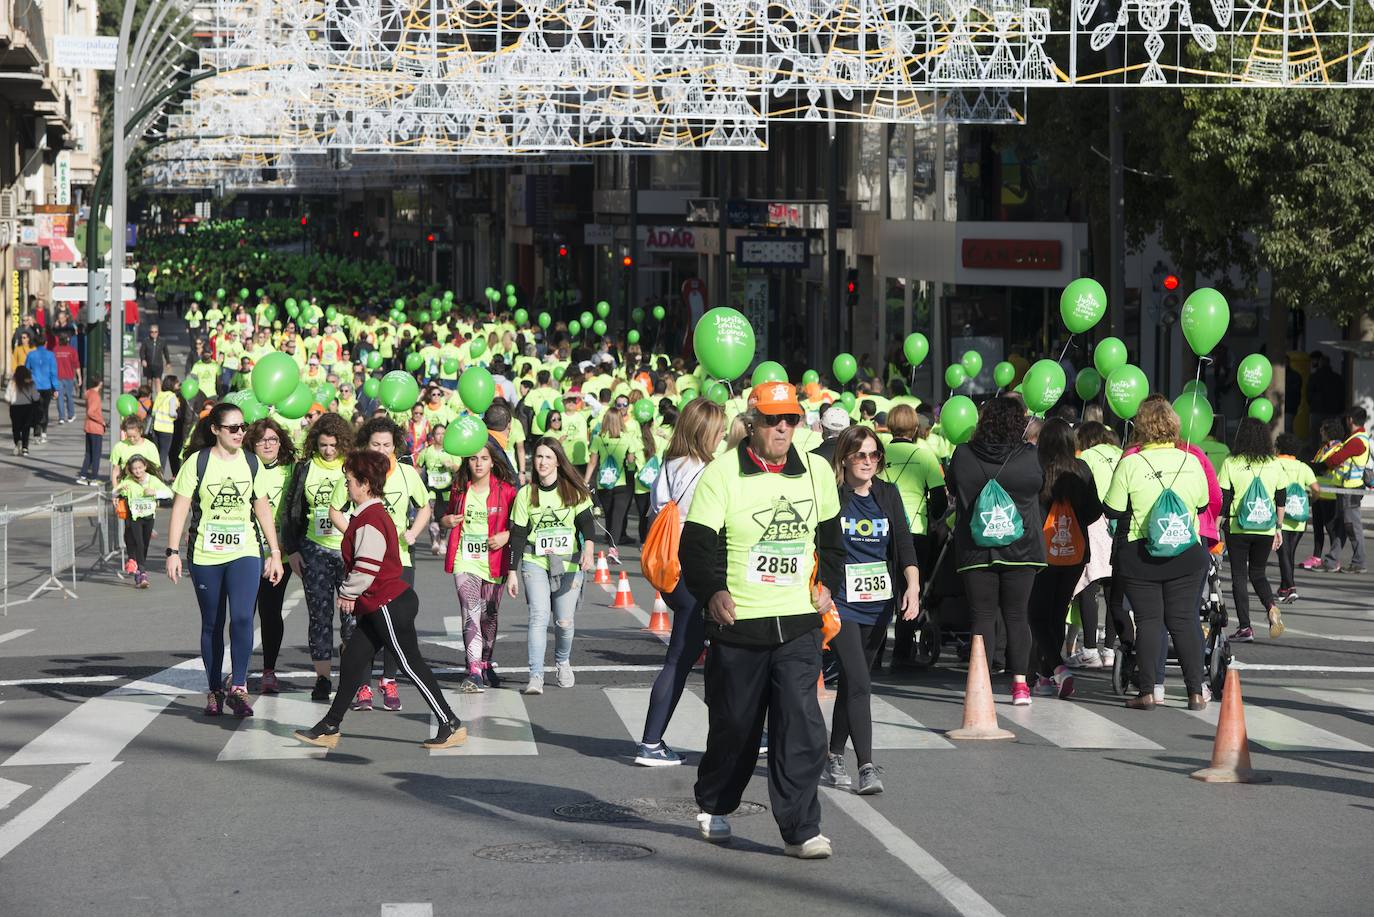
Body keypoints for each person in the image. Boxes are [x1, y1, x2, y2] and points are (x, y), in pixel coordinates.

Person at [681, 381, 842, 859]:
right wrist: (711, 592)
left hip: (797, 624)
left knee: (802, 725)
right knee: (736, 727)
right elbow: (695, 546)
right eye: (773, 420)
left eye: (790, 419)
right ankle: (715, 802)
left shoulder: (816, 472)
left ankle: (801, 830)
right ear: (751, 423)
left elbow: (832, 539)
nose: (783, 428)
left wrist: (827, 581)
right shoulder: (723, 474)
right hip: (740, 625)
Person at [293, 450, 467, 750]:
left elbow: (367, 567)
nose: (346, 486)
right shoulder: (368, 515)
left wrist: (347, 593)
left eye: (349, 481)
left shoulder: (371, 518)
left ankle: (449, 723)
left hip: (386, 603)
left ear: (364, 483)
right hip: (380, 603)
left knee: (410, 663)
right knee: (352, 660)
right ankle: (330, 725)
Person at [165, 402, 285, 718]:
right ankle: (215, 688)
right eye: (232, 427)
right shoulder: (197, 462)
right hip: (206, 553)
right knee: (213, 622)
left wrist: (275, 552)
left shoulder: (251, 462)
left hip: (245, 550)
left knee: (244, 617)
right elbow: (180, 508)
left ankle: (239, 687)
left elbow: (262, 509)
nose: (239, 432)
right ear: (215, 429)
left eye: (242, 427)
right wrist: (172, 551)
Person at [820, 425, 919, 795]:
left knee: (851, 683)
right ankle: (865, 767)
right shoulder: (834, 496)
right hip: (841, 604)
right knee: (861, 682)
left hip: (878, 606)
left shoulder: (888, 495)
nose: (867, 461)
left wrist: (913, 585)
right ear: (845, 457)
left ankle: (833, 754)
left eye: (874, 455)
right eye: (860, 454)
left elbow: (905, 545)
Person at [1102, 396, 1211, 711]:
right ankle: (1194, 692)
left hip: (1141, 554)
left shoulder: (1131, 463)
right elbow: (1202, 504)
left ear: (1141, 427)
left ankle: (1147, 692)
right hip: (1186, 553)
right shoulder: (1191, 461)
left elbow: (1112, 508)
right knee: (1184, 621)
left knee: (1149, 621)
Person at [635, 398, 725, 766]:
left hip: (671, 571)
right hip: (697, 570)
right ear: (705, 432)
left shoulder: (668, 465)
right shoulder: (709, 470)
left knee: (709, 657)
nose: (722, 436)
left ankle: (737, 730)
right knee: (683, 657)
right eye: (718, 430)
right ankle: (651, 741)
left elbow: (655, 512)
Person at [946, 396, 1044, 705]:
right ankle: (1020, 685)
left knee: (982, 616)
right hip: (1022, 547)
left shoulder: (962, 454)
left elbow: (953, 487)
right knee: (1017, 615)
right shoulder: (1029, 456)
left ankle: (981, 682)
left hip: (976, 549)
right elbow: (1039, 486)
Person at [329, 416, 431, 711]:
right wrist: (355, 532)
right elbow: (335, 509)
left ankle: (389, 680)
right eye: (376, 444)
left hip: (399, 560)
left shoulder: (407, 474)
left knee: (397, 623)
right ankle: (363, 687)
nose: (382, 450)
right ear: (366, 445)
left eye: (388, 445)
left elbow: (424, 507)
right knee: (365, 623)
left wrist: (413, 532)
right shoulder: (357, 474)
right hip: (366, 562)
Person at [505, 437, 596, 695]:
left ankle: (562, 660)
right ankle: (535, 675)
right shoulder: (526, 494)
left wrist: (588, 549)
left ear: (558, 460)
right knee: (538, 616)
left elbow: (586, 524)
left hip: (568, 563)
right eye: (539, 457)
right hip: (535, 562)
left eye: (548, 457)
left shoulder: (573, 491)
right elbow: (519, 535)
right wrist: (512, 572)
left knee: (564, 621)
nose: (542, 462)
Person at [281, 412, 354, 702]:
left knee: (352, 619)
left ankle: (352, 677)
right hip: (314, 548)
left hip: (347, 550)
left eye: (333, 445)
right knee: (320, 616)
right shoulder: (305, 469)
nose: (328, 450)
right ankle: (322, 678)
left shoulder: (352, 467)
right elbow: (290, 511)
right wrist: (293, 550)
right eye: (323, 445)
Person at [1026, 418, 1102, 698]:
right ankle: (1046, 677)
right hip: (1075, 552)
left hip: (1041, 552)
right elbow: (1095, 511)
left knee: (1035, 614)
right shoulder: (1081, 469)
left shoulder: (1036, 468)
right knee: (1057, 613)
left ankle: (1057, 668)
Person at [441, 442, 518, 692]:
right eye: (473, 459)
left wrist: (506, 535)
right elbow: (444, 516)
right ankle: (473, 670)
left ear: (492, 462)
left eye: (484, 458)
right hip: (465, 559)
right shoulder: (460, 489)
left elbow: (520, 525)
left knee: (489, 615)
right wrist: (447, 520)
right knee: (470, 610)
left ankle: (484, 661)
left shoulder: (506, 491)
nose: (478, 463)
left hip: (495, 561)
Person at [879, 404, 947, 669]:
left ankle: (875, 651)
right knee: (911, 590)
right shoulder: (926, 454)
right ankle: (902, 652)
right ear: (916, 427)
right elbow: (940, 499)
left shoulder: (881, 453)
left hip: (881, 531)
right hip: (915, 532)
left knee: (882, 590)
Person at [1217, 418, 1288, 642]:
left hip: (1238, 526)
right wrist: (1278, 527)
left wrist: (1217, 526)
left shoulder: (1231, 462)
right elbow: (1281, 498)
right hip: (1265, 527)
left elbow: (1224, 500)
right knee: (1258, 573)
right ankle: (1271, 606)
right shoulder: (1274, 463)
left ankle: (1246, 627)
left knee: (1238, 576)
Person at [246, 418, 297, 694]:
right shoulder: (243, 467)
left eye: (273, 439)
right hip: (245, 552)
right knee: (243, 614)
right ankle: (238, 671)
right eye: (262, 439)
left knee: (270, 612)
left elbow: (299, 511)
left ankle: (269, 670)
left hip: (281, 555)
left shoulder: (291, 470)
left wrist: (285, 548)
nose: (268, 444)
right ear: (252, 443)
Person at [1067, 420, 1123, 668]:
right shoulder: (1122, 454)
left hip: (1094, 523)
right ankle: (1110, 649)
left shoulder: (1086, 457)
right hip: (1120, 524)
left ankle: (1090, 649)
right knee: (1114, 591)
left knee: (1089, 586)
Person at [1318, 406, 1369, 574]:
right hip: (1345, 489)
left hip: (1351, 490)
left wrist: (1331, 460)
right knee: (1343, 525)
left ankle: (1358, 562)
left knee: (1352, 526)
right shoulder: (1356, 438)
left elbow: (1335, 459)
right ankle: (1332, 560)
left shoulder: (1357, 440)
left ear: (1350, 420)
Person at [1274, 432, 1320, 603]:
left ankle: (1291, 587)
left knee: (1283, 554)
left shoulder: (1274, 464)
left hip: (1281, 518)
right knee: (1289, 554)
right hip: (1299, 520)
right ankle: (1284, 588)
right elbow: (1316, 489)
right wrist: (1310, 501)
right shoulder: (1303, 467)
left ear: (1279, 447)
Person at [114, 455, 172, 588]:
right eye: (134, 469)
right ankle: (142, 573)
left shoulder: (152, 480)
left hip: (149, 517)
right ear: (130, 469)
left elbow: (170, 493)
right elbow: (114, 492)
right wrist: (120, 490)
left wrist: (155, 493)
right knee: (139, 543)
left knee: (144, 545)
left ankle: (138, 567)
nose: (137, 471)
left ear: (145, 467)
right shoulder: (128, 480)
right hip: (134, 518)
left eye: (140, 468)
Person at [586, 405, 640, 545]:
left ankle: (609, 537)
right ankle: (613, 546)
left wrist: (586, 480)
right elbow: (631, 460)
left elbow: (592, 462)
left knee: (609, 513)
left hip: (603, 482)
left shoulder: (598, 438)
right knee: (618, 516)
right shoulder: (627, 438)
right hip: (621, 481)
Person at [418, 425, 461, 555]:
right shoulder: (426, 452)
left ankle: (442, 540)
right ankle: (434, 543)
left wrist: (451, 465)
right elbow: (419, 467)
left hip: (447, 491)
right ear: (433, 435)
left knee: (443, 517)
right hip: (431, 490)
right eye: (438, 434)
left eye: (443, 434)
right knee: (431, 517)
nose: (441, 436)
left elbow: (459, 468)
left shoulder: (451, 451)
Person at [110, 414, 160, 488]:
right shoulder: (119, 447)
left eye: (134, 436)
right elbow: (116, 471)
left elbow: (156, 471)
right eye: (129, 436)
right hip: (126, 489)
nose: (132, 439)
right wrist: (116, 492)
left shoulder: (150, 447)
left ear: (141, 431)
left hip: (146, 489)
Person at [24, 341, 57, 444]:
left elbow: (26, 370)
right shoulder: (50, 355)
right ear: (46, 343)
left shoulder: (31, 354)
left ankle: (36, 434)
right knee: (45, 409)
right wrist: (55, 388)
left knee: (35, 409)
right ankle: (44, 433)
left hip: (35, 386)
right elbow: (53, 372)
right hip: (46, 386)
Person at [77, 378, 105, 485]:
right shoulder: (96, 396)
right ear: (100, 384)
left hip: (88, 427)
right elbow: (91, 412)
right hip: (96, 428)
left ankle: (83, 476)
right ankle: (94, 478)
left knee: (88, 453)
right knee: (96, 454)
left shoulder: (89, 394)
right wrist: (102, 421)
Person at [6, 366, 40, 456]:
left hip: (15, 408)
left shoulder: (12, 383)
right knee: (26, 428)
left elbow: (7, 397)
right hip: (27, 407)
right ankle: (25, 448)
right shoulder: (31, 383)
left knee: (16, 427)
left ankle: (18, 441)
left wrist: (10, 402)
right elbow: (36, 397)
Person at [151, 376, 181, 472]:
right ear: (172, 384)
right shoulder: (172, 397)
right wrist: (176, 415)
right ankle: (160, 474)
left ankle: (154, 472)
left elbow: (153, 412)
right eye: (177, 383)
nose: (178, 385)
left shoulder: (160, 394)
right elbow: (172, 413)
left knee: (156, 453)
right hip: (166, 429)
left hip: (156, 427)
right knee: (163, 453)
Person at [51, 332, 81, 425]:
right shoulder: (72, 351)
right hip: (69, 376)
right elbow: (76, 365)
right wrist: (79, 377)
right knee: (69, 397)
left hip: (58, 376)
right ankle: (71, 415)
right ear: (68, 340)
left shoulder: (55, 350)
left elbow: (52, 364)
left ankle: (61, 417)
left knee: (59, 397)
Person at [139, 325, 172, 393]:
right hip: (148, 365)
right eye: (152, 332)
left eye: (155, 332)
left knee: (158, 381)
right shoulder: (146, 341)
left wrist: (168, 362)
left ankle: (158, 399)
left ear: (158, 332)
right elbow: (142, 351)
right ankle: (149, 398)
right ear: (149, 332)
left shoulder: (162, 341)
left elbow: (166, 352)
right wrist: (143, 359)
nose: (154, 334)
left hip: (158, 365)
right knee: (149, 382)